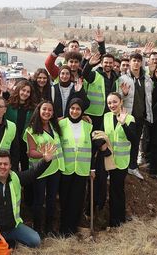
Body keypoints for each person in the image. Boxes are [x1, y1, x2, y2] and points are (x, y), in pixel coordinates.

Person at [0, 147, 56, 255]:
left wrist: (45, 161)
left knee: (35, 240)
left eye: (6, 164)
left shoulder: (16, 177)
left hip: (13, 227)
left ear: (10, 166)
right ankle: (6, 242)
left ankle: (10, 240)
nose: (2, 167)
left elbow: (33, 173)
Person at [24, 100, 64, 235]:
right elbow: (31, 151)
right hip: (40, 169)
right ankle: (37, 229)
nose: (47, 112)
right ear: (39, 111)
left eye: (50, 110)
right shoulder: (31, 130)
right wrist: (43, 155)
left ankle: (49, 229)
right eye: (44, 109)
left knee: (52, 200)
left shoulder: (54, 126)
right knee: (39, 200)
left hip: (55, 168)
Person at [58, 98, 94, 236]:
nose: (74, 111)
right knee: (65, 200)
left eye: (78, 109)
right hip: (66, 169)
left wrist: (92, 169)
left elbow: (91, 149)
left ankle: (73, 229)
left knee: (77, 200)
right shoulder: (61, 124)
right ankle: (63, 229)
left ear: (82, 111)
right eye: (72, 108)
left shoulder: (88, 126)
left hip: (82, 169)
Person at [118, 52, 153, 180]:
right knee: (124, 142)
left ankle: (132, 167)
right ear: (130, 62)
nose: (136, 63)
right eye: (134, 60)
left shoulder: (146, 79)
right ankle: (120, 167)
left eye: (139, 60)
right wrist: (124, 94)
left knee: (135, 142)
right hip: (127, 116)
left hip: (141, 116)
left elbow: (149, 97)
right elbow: (116, 98)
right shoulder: (123, 79)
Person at [102, 92, 135, 227]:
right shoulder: (106, 117)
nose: (112, 105)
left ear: (121, 102)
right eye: (109, 103)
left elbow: (133, 138)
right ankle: (115, 219)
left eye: (115, 102)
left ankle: (117, 220)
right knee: (111, 190)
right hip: (107, 159)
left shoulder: (129, 118)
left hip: (121, 161)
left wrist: (123, 124)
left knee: (117, 190)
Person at [5, 79, 37, 172]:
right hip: (11, 141)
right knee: (12, 167)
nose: (25, 93)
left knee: (26, 168)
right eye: (23, 90)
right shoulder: (9, 106)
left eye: (28, 92)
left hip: (25, 142)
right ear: (18, 90)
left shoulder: (33, 108)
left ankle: (26, 187)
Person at [82, 52, 119, 129]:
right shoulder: (95, 75)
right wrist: (89, 64)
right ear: (101, 63)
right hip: (94, 114)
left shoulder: (116, 78)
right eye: (106, 62)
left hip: (109, 113)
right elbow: (84, 74)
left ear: (113, 64)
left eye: (110, 63)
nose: (108, 64)